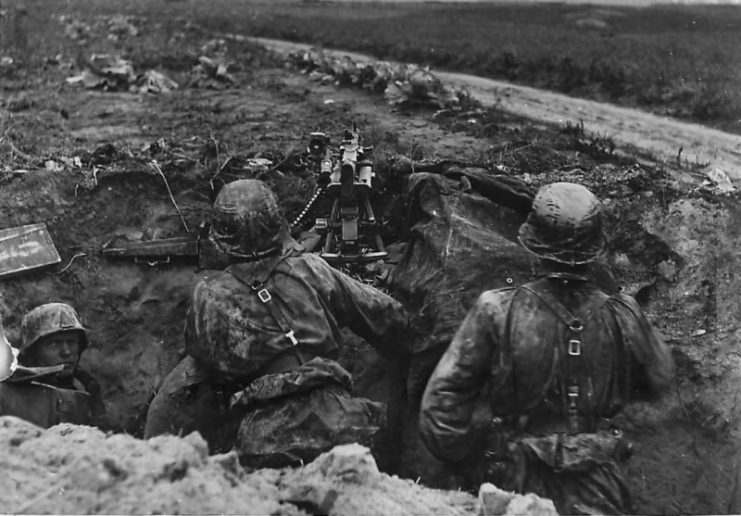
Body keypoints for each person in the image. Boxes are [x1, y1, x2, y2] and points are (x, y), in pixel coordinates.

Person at [418, 182, 675, 515]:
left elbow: (439, 411)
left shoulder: (496, 310)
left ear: (533, 245)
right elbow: (661, 376)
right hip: (599, 487)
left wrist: (473, 461)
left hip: (518, 486)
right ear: (595, 251)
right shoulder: (622, 315)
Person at [145, 179, 411, 469]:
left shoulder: (209, 295)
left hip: (264, 440)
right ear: (277, 224)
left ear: (221, 237)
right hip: (343, 423)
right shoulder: (312, 269)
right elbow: (389, 318)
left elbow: (207, 367)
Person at [0, 303, 106, 428]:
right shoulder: (7, 390)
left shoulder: (86, 387)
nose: (66, 351)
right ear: (32, 352)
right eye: (54, 344)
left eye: (71, 342)